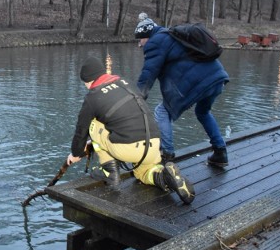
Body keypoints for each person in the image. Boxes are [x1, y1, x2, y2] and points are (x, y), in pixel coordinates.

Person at [66, 56, 195, 205]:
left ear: (89, 80)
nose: (86, 87)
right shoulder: (126, 83)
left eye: (85, 84)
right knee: (144, 173)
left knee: (93, 125)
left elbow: (81, 130)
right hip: (153, 143)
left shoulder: (92, 97)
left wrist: (76, 153)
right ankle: (164, 177)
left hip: (128, 148)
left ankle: (110, 173)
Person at [135, 14, 229, 167]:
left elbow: (148, 73)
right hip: (217, 78)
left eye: (140, 40)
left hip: (198, 82)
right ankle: (220, 152)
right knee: (203, 112)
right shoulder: (172, 35)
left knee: (162, 111)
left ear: (146, 36)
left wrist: (138, 97)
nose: (139, 45)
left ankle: (167, 155)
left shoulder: (155, 42)